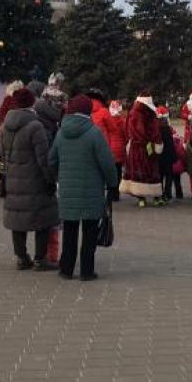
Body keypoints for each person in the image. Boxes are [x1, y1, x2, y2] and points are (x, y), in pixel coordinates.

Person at [50, 95, 117, 282]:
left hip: (67, 192)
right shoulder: (95, 133)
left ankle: (66, 269)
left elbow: (51, 160)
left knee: (69, 231)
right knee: (89, 232)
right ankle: (87, 271)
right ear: (88, 111)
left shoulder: (61, 133)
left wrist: (59, 176)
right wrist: (112, 184)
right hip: (91, 191)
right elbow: (107, 163)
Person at [1, 88, 59, 271]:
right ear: (31, 103)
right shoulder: (36, 126)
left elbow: (3, 154)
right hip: (35, 180)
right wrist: (51, 179)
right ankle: (40, 259)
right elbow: (43, 158)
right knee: (44, 219)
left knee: (17, 220)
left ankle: (21, 258)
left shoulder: (5, 126)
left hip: (13, 179)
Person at [120, 94, 163, 208]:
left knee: (139, 170)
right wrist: (155, 141)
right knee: (152, 170)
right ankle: (156, 197)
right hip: (149, 146)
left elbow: (132, 130)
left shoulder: (134, 112)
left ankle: (141, 198)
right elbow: (155, 130)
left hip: (137, 146)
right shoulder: (151, 112)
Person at [156, 106, 178, 204]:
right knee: (169, 176)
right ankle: (168, 193)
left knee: (159, 176)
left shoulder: (156, 131)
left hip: (159, 157)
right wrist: (174, 156)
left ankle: (159, 194)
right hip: (168, 157)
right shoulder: (168, 131)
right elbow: (171, 145)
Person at [106, 101, 128, 197]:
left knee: (110, 171)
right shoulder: (122, 121)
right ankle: (116, 193)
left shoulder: (107, 119)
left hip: (109, 148)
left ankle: (110, 192)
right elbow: (125, 135)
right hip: (119, 149)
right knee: (118, 171)